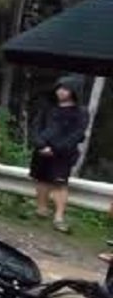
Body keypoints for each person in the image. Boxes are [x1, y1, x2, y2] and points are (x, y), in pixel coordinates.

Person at [30, 76, 89, 233]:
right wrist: (40, 144)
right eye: (59, 88)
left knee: (59, 183)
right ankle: (41, 209)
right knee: (41, 179)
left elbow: (77, 134)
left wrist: (56, 149)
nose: (60, 92)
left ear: (73, 91)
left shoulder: (80, 112)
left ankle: (59, 216)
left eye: (65, 89)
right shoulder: (48, 107)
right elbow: (36, 126)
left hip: (63, 154)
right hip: (42, 150)